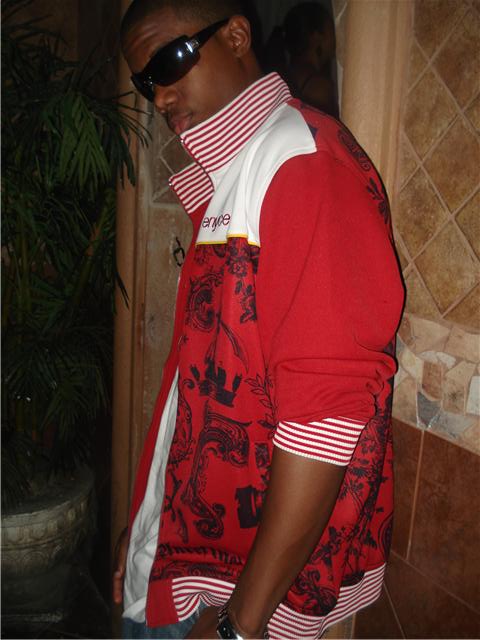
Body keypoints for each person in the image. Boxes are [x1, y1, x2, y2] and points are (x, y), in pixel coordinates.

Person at [114, 1, 404, 638]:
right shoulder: (239, 173)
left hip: (228, 597)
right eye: (145, 79)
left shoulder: (299, 164)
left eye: (170, 62)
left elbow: (326, 419)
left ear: (237, 36)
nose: (159, 95)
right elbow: (195, 394)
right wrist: (148, 532)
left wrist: (239, 624)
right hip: (183, 562)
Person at [264, 2, 338, 117]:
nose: (336, 37)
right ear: (316, 36)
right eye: (331, 29)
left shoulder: (283, 76)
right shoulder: (319, 87)